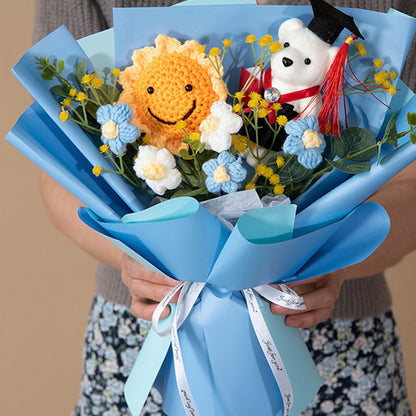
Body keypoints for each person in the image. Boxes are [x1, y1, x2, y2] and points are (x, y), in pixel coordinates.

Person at [34, 0, 416, 415]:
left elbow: (409, 184)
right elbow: (61, 177)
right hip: (155, 329)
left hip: (339, 340)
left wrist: (328, 260)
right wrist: (134, 260)